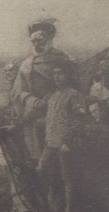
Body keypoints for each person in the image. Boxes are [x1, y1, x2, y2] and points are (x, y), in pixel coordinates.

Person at [10, 18, 79, 164]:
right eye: (33, 41)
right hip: (34, 114)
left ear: (50, 39)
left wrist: (56, 98)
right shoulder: (27, 65)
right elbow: (18, 92)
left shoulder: (65, 60)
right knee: (39, 155)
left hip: (60, 113)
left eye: (40, 40)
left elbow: (76, 88)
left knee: (61, 157)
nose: (36, 44)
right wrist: (32, 101)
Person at [37, 64, 86, 212]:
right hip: (51, 142)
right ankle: (53, 207)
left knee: (67, 177)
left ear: (68, 75)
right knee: (41, 169)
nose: (57, 77)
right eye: (55, 73)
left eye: (61, 73)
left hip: (66, 143)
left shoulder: (74, 95)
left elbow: (79, 120)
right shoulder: (52, 96)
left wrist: (67, 141)